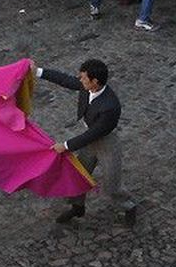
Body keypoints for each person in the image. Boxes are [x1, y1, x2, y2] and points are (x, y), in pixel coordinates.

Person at [37, 58, 137, 226]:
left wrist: (66, 146)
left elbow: (93, 134)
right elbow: (65, 80)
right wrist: (38, 72)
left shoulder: (110, 106)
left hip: (106, 143)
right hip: (91, 139)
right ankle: (78, 207)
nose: (79, 79)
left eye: (83, 77)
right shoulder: (88, 87)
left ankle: (129, 206)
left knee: (111, 186)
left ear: (94, 81)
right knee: (78, 175)